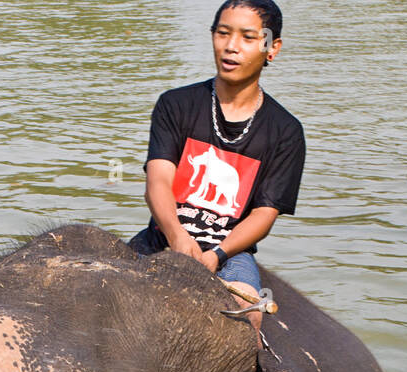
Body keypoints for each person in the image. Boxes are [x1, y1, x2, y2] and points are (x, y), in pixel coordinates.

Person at [129, 0, 305, 315]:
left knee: (248, 310)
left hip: (229, 253)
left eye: (248, 38)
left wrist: (217, 255)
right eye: (223, 34)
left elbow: (264, 215)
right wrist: (176, 236)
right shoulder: (176, 105)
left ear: (272, 48)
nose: (231, 47)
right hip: (162, 238)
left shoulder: (285, 131)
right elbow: (158, 181)